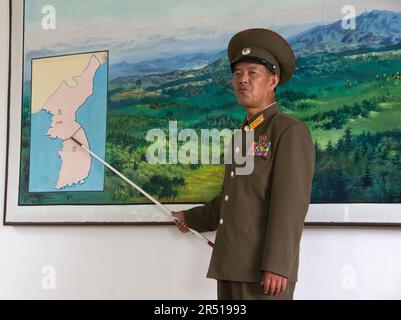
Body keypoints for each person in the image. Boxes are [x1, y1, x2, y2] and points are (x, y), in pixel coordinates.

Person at [172, 28, 315, 300]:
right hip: (230, 267)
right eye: (237, 73)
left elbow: (290, 205)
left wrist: (277, 265)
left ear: (273, 81)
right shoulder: (243, 135)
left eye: (252, 73)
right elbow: (234, 198)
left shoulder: (289, 131)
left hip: (264, 275)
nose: (243, 80)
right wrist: (189, 218)